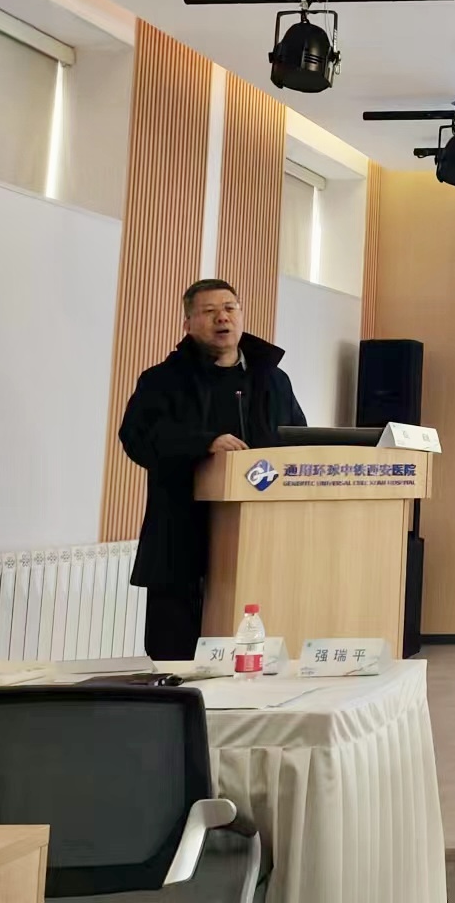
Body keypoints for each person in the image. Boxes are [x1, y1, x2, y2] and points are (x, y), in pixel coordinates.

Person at [120, 279, 305, 660]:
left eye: (230, 308)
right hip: (182, 535)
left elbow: (298, 440)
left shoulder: (273, 380)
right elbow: (137, 438)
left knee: (256, 650)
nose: (223, 317)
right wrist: (204, 443)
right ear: (188, 323)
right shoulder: (162, 380)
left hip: (260, 536)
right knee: (176, 653)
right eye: (209, 311)